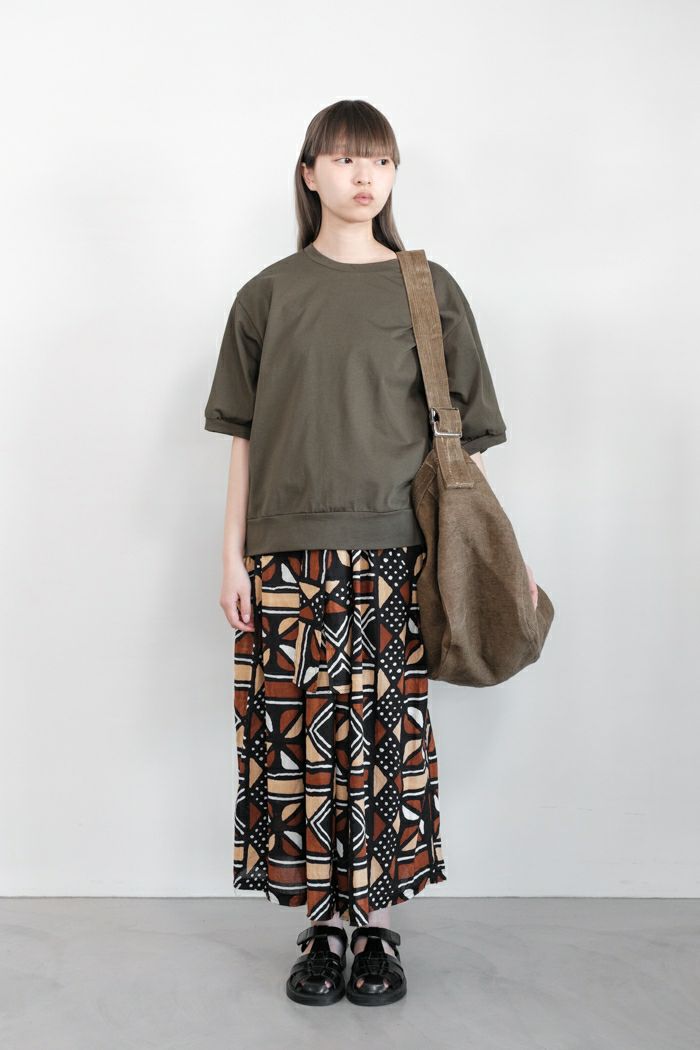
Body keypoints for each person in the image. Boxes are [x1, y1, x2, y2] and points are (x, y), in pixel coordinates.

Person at [204, 99, 521, 1006]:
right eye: (343, 159)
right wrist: (230, 556)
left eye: (377, 160)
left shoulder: (427, 288)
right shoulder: (267, 294)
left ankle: (376, 926)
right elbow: (243, 439)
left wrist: (498, 555)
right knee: (293, 747)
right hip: (286, 560)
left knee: (385, 746)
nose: (362, 176)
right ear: (309, 174)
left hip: (394, 554)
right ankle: (322, 927)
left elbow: (463, 446)